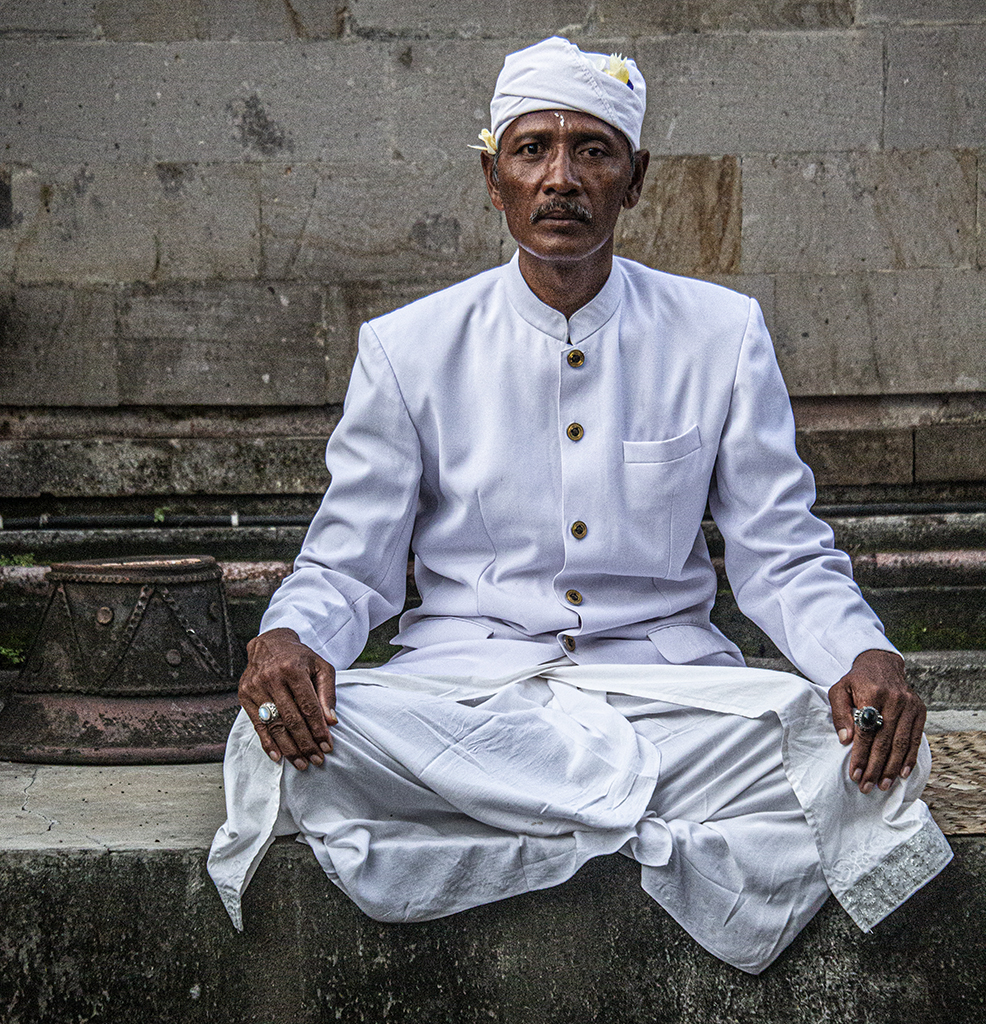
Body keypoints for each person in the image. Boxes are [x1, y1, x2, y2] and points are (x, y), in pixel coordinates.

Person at [209, 37, 951, 974]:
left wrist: (864, 653)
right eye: (533, 150)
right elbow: (347, 564)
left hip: (666, 691)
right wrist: (290, 640)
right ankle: (628, 815)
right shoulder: (409, 348)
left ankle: (532, 812)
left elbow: (781, 553)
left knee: (879, 755)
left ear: (634, 178)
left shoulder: (720, 336)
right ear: (495, 178)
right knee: (283, 731)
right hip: (467, 693)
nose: (561, 177)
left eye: (592, 151)